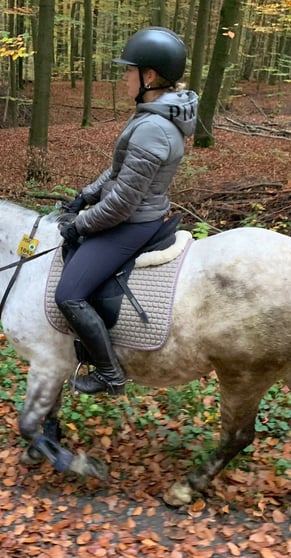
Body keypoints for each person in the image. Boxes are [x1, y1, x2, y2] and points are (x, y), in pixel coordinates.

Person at [55, 26, 199, 396]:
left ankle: (110, 373)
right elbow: (119, 170)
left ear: (149, 76)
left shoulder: (153, 127)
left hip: (133, 222)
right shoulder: (152, 114)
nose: (124, 78)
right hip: (140, 212)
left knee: (68, 293)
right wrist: (85, 195)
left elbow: (121, 204)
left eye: (129, 70)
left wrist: (79, 224)